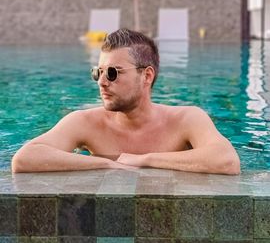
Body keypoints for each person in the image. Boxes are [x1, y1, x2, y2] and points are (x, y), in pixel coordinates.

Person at [12, 29, 240, 175]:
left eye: (112, 72)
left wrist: (145, 160)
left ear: (147, 76)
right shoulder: (85, 122)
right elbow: (24, 159)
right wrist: (108, 164)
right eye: (97, 72)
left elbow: (226, 161)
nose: (101, 81)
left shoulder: (187, 119)